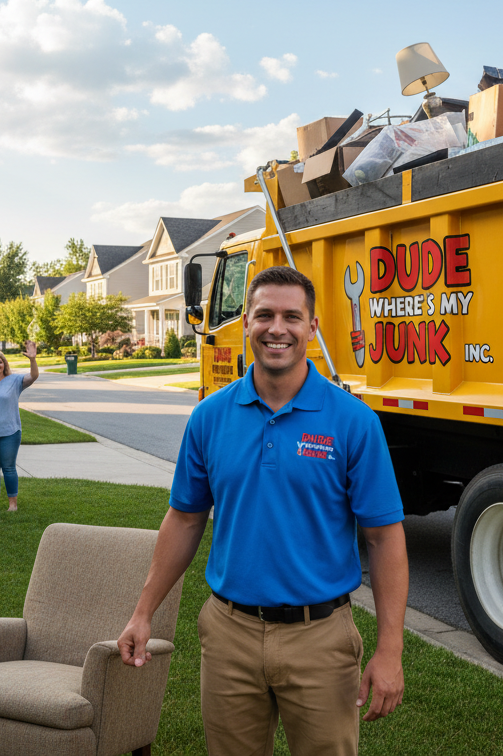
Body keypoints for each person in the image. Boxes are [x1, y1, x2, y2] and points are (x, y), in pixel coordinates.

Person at [117, 266, 409, 756]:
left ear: (312, 328)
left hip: (321, 638)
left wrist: (390, 649)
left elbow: (384, 537)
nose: (278, 328)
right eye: (265, 315)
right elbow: (185, 518)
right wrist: (142, 613)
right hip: (228, 634)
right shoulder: (209, 417)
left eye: (292, 317)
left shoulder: (354, 421)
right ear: (247, 322)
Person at [0, 342, 39, 511]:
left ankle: (13, 505)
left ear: (4, 364)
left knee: (8, 468)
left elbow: (33, 376)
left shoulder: (15, 380)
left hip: (9, 432)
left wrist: (33, 359)